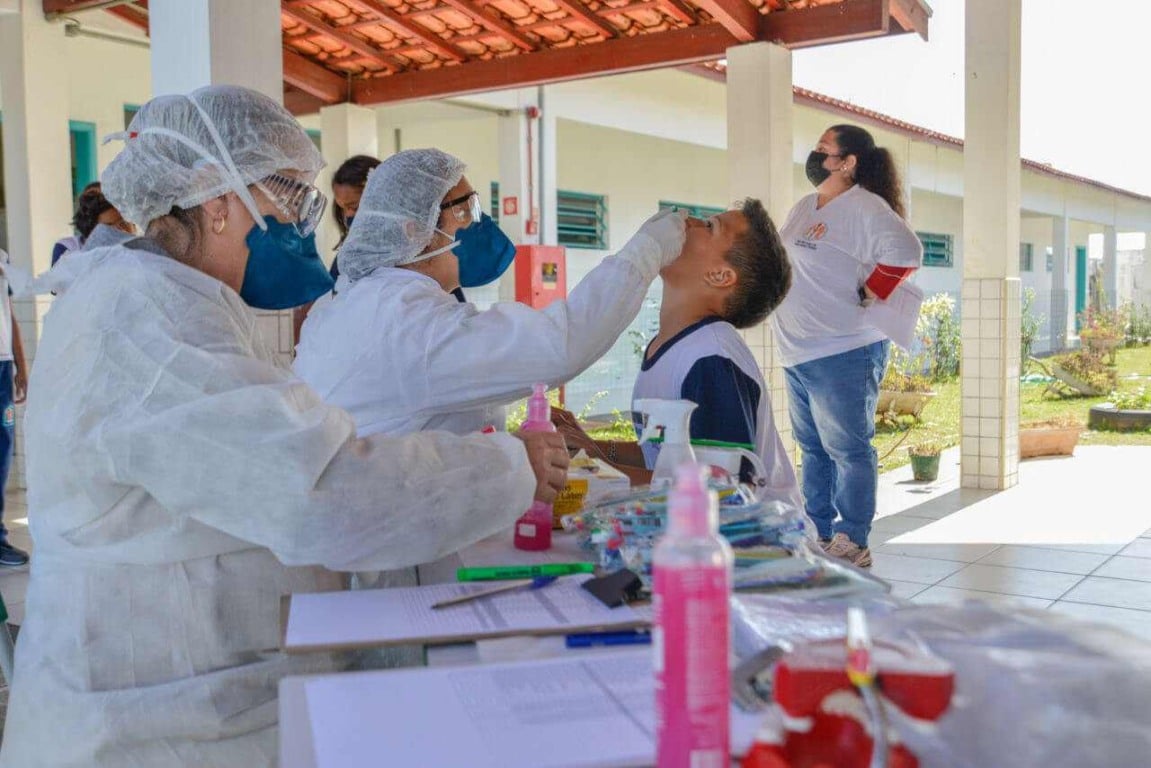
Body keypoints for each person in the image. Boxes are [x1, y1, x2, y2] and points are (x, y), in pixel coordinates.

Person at [0, 85, 568, 768]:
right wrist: (510, 467)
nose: (306, 224)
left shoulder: (169, 302)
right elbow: (319, 493)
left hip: (191, 687)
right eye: (292, 197)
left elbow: (275, 448)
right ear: (218, 203)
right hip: (151, 718)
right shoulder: (144, 322)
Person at [293, 148, 687, 439]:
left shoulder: (352, 302)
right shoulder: (409, 324)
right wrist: (646, 252)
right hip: (397, 537)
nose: (476, 223)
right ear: (416, 230)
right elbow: (559, 345)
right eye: (464, 211)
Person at [552, 200, 803, 512]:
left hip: (765, 549)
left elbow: (720, 493)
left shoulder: (712, 359)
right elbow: (662, 456)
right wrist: (588, 446)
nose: (689, 221)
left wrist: (596, 467)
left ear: (720, 276)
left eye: (709, 226)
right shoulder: (672, 347)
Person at [770, 123, 923, 568]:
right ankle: (816, 530)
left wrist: (874, 289)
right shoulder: (805, 205)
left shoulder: (865, 207)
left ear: (848, 161)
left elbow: (906, 249)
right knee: (813, 448)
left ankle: (853, 539)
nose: (815, 157)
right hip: (798, 350)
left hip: (844, 350)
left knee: (849, 449)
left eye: (823, 149)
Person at [291, 154, 381, 342]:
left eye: (354, 207)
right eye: (342, 208)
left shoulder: (407, 255)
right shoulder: (347, 256)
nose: (348, 215)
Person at [0, 249, 28, 567]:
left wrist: (22, 365)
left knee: (3, 454)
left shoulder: (3, 257)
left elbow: (10, 313)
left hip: (3, 367)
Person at [51, 182, 133, 267]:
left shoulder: (135, 252)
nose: (119, 231)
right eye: (108, 227)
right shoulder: (68, 249)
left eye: (123, 223)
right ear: (90, 229)